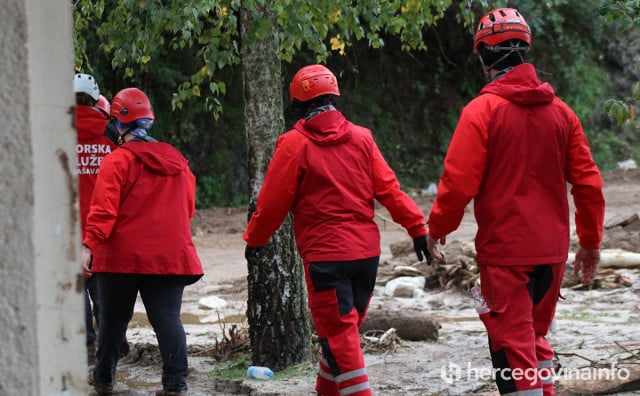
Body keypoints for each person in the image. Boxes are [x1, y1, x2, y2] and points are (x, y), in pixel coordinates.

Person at [425, 8, 605, 396]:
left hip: (506, 254)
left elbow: (457, 184)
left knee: (512, 345)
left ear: (484, 57)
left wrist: (437, 229)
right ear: (525, 50)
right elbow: (589, 184)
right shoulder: (562, 114)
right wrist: (590, 243)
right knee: (533, 336)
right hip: (552, 253)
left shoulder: (482, 112)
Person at [243, 64, 430, 396]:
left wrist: (255, 240)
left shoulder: (293, 144)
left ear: (298, 105)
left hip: (326, 259)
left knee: (341, 340)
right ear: (333, 97)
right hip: (365, 258)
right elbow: (390, 190)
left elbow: (272, 206)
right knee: (338, 341)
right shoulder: (362, 138)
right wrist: (417, 227)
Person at [81, 87, 203, 396]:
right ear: (148, 121)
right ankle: (175, 385)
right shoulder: (178, 162)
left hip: (121, 259)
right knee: (167, 320)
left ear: (118, 122)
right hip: (168, 258)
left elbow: (103, 211)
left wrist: (88, 247)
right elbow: (188, 208)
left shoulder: (117, 161)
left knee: (112, 321)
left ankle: (104, 381)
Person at [74, 73, 116, 361]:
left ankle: (84, 347)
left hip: (66, 228)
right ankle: (109, 344)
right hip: (104, 226)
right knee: (103, 289)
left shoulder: (54, 131)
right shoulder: (112, 134)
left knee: (75, 289)